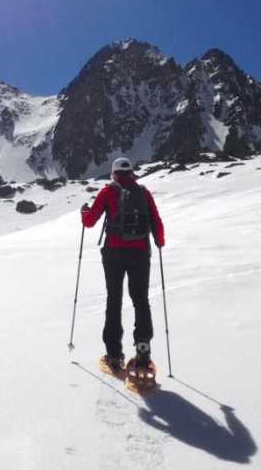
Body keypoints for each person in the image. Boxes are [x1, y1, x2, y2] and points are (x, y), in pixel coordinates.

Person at [81, 157, 164, 373]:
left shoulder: (108, 191)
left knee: (114, 300)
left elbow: (89, 221)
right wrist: (159, 241)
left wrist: (83, 213)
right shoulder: (143, 192)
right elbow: (156, 222)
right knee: (141, 300)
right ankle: (143, 351)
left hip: (114, 253)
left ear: (114, 172)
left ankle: (114, 355)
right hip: (139, 253)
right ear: (132, 173)